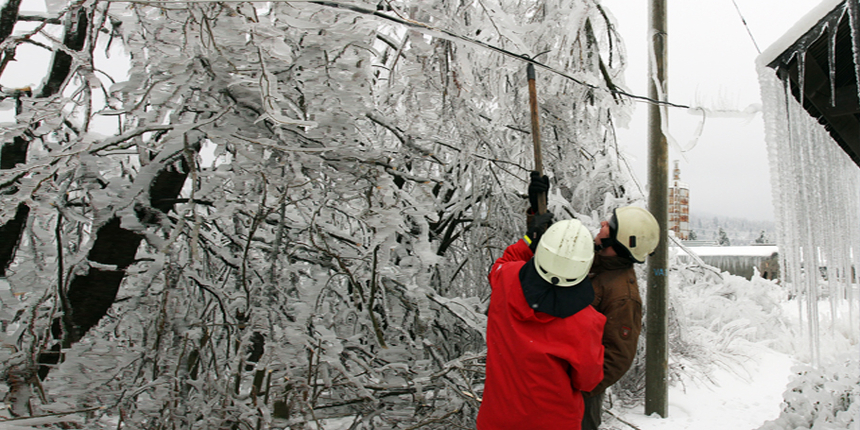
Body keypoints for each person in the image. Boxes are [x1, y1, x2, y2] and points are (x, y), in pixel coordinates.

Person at [527, 172, 660, 430]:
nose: (601, 223)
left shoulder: (623, 295)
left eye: (609, 224)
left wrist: (571, 388)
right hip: (545, 387)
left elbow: (617, 358)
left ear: (618, 241)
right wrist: (536, 209)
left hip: (577, 404)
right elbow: (543, 262)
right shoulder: (589, 257)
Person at [476, 214, 606, 430]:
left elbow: (501, 264)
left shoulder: (506, 280)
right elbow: (588, 380)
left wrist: (529, 241)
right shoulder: (586, 322)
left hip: (496, 421)